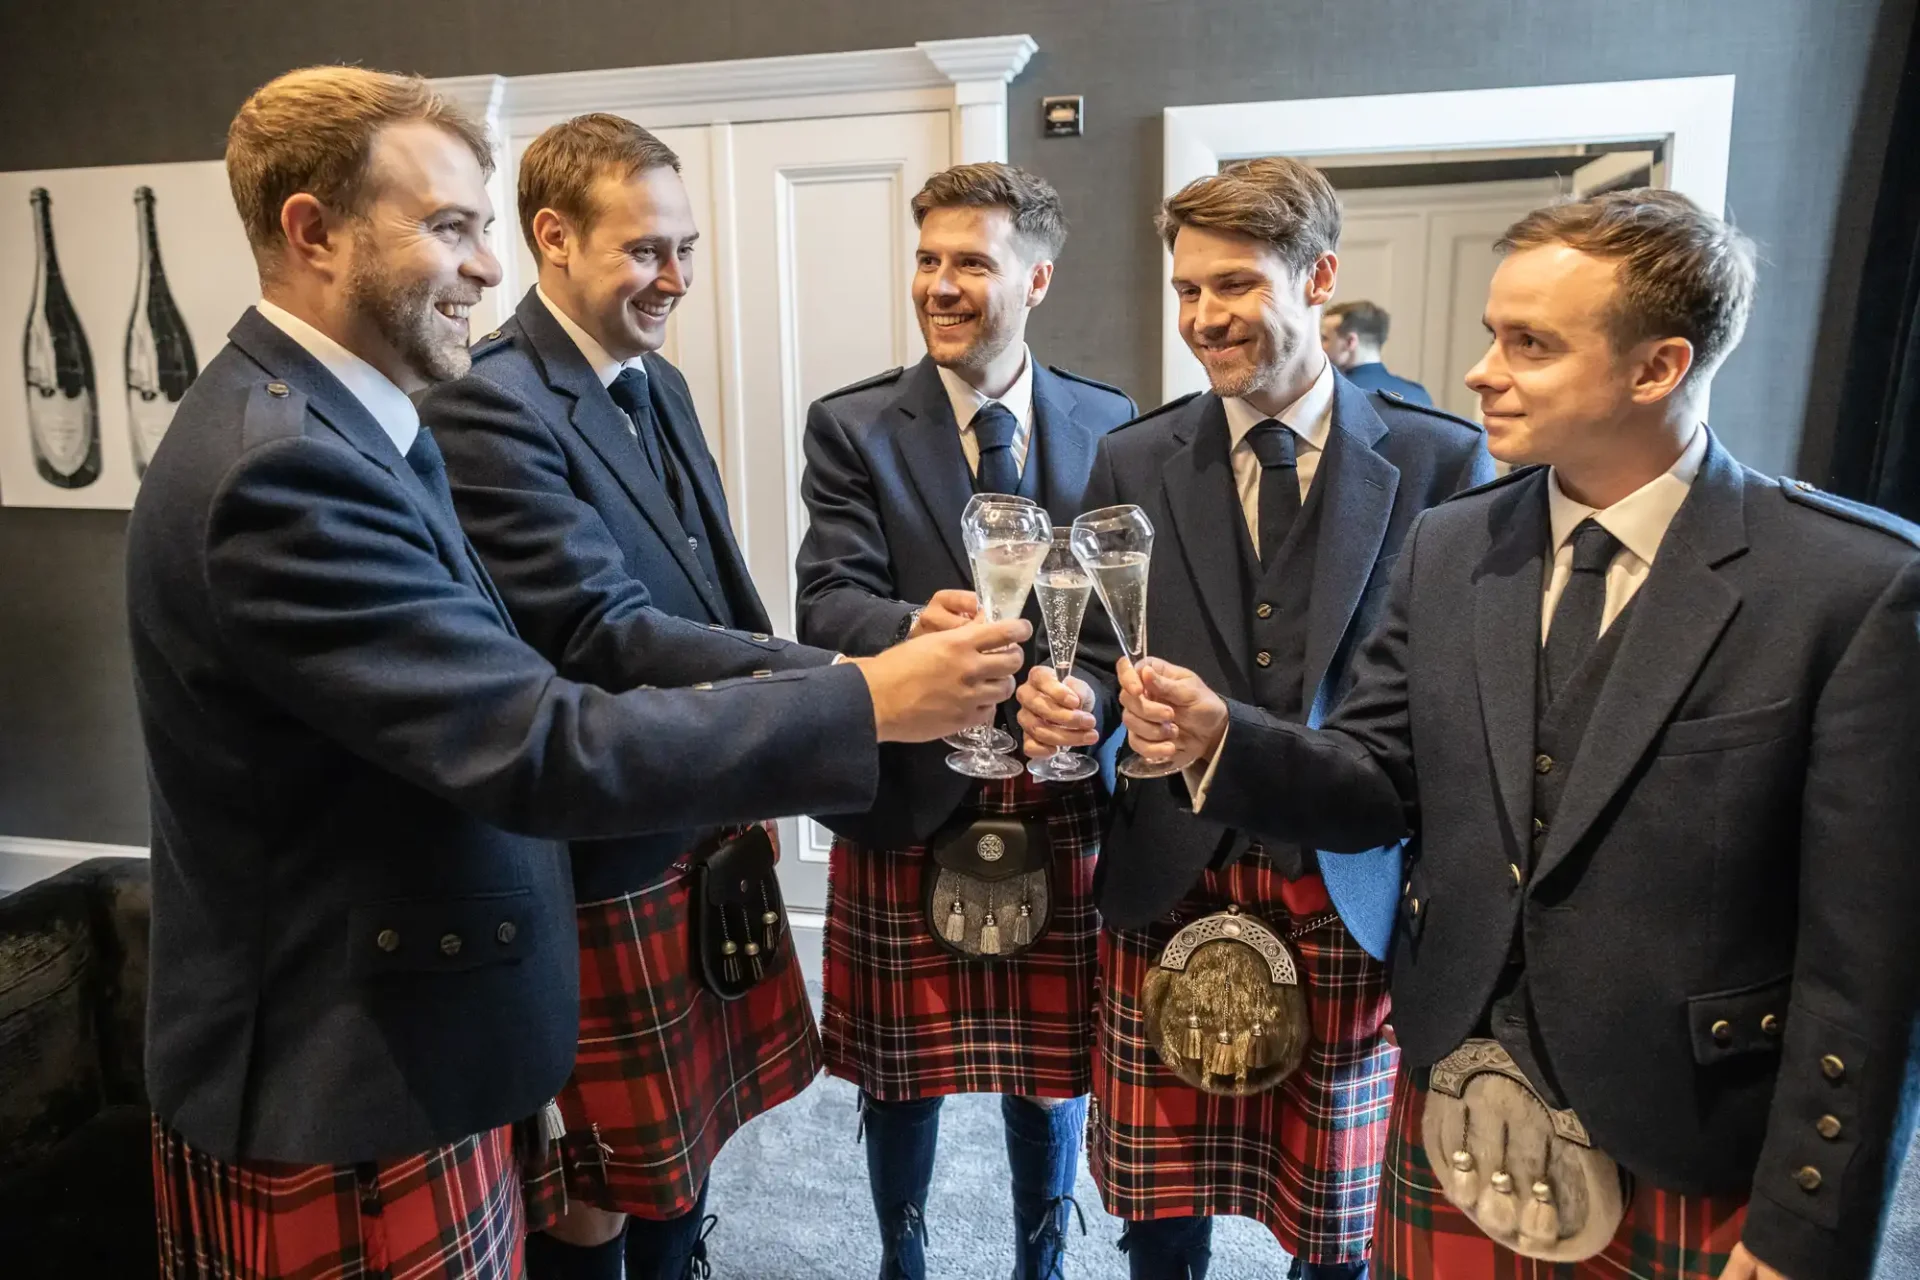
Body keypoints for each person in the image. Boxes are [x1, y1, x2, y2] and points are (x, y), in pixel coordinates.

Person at [129, 66, 1030, 1280]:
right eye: (450, 227)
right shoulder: (282, 469)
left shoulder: (352, 423)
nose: (487, 268)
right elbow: (539, 732)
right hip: (343, 1065)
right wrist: (864, 691)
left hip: (418, 1009)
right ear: (312, 231)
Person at [1119, 189, 1920, 1280]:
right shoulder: (1453, 546)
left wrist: (1802, 1233)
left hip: (1687, 1139)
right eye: (1496, 334)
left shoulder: (1851, 586)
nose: (1481, 371)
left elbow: (1867, 963)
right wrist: (1225, 739)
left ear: (1658, 367)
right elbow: (1372, 780)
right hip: (1456, 1086)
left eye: (1530, 344)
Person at [1017, 157, 1491, 1280]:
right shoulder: (1134, 454)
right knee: (1159, 1204)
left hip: (1343, 879)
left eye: (1233, 285)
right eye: (1187, 290)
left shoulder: (1439, 459)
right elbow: (1086, 653)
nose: (1202, 317)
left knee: (1336, 1224)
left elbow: (1447, 707)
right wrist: (1071, 703)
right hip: (1170, 866)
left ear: (1318, 276)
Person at [421, 113, 836, 1280]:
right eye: (648, 250)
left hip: (698, 820)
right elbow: (600, 630)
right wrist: (849, 686)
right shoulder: (490, 401)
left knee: (683, 1158)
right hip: (604, 853)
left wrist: (792, 676)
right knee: (595, 1189)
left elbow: (720, 593)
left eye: (687, 248)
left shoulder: (654, 384)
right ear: (552, 236)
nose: (676, 278)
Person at [793, 162, 1136, 1280]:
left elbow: (1137, 616)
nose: (940, 285)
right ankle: (904, 1252)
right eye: (929, 259)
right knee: (904, 1068)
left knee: (1052, 1067)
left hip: (1059, 784)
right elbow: (825, 597)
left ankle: (1042, 1252)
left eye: (971, 262)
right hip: (914, 783)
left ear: (1035, 277)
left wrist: (1090, 707)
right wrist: (910, 620)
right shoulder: (851, 424)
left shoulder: (1113, 419)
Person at [1321, 300, 1432, 405]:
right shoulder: (1420, 395)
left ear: (1351, 341)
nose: (1320, 346)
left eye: (1324, 338)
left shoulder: (1332, 395)